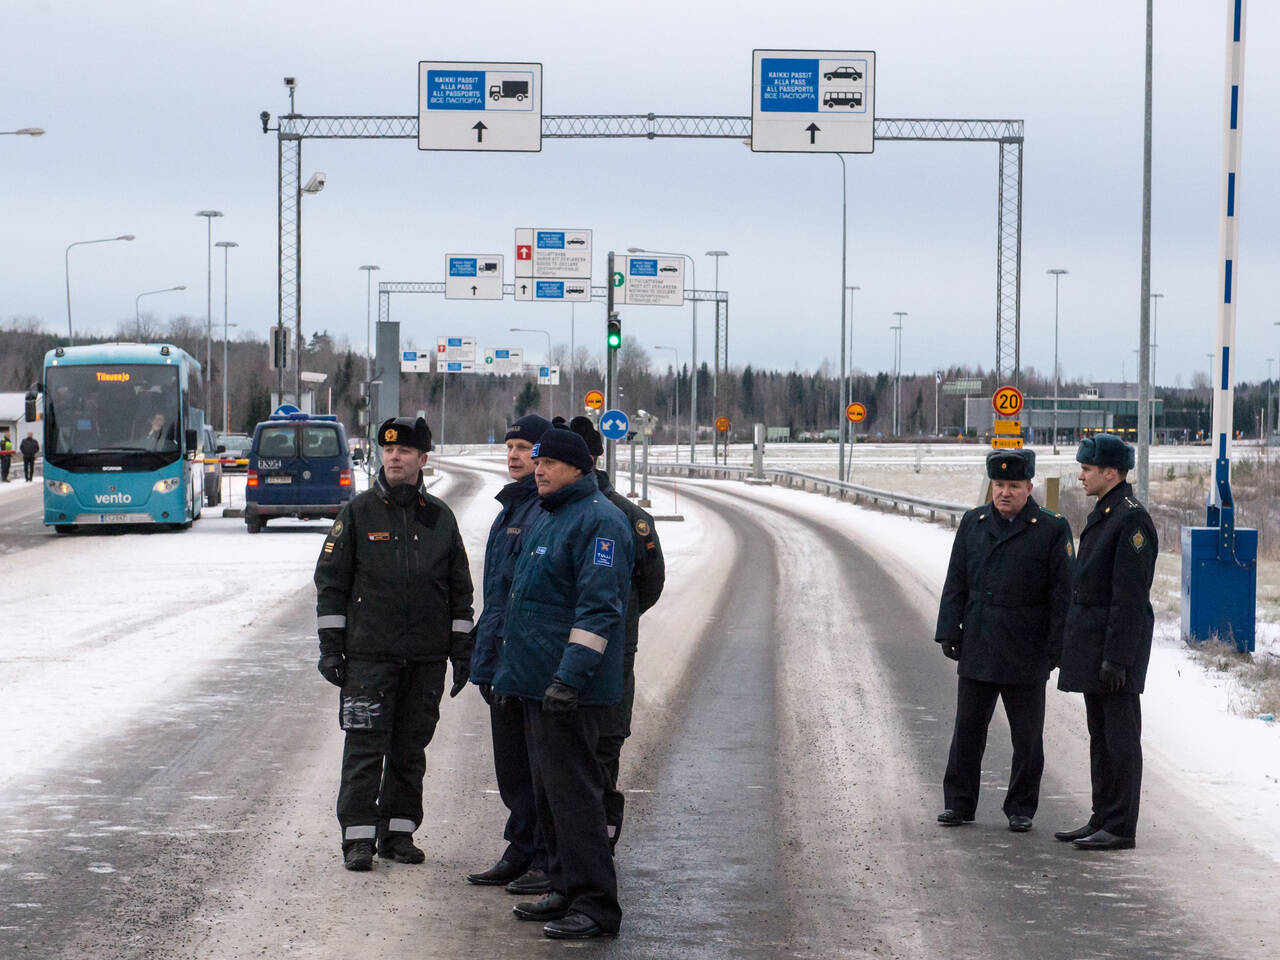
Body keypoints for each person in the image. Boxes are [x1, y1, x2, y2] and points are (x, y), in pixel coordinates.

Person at [313, 416, 475, 871]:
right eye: (388, 451)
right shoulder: (359, 513)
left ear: (423, 459)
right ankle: (358, 839)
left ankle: (399, 834)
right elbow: (330, 582)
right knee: (364, 748)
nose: (395, 457)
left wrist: (461, 650)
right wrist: (332, 647)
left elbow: (460, 590)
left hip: (425, 659)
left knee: (410, 749)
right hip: (369, 657)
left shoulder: (440, 518)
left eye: (404, 451)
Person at [492, 427, 632, 940]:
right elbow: (523, 607)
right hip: (536, 687)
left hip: (572, 693)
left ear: (578, 468)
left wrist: (569, 678)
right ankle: (564, 887)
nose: (538, 468)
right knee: (550, 798)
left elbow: (599, 611)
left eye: (548, 462)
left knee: (576, 802)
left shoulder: (599, 523)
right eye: (537, 461)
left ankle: (596, 906)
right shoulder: (549, 518)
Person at [933, 449, 1073, 831]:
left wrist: (1056, 648)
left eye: (1014, 485)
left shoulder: (1051, 528)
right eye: (999, 485)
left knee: (1027, 739)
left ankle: (1021, 808)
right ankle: (959, 804)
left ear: (1030, 487)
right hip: (979, 640)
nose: (1005, 493)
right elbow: (956, 581)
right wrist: (949, 629)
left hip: (1026, 648)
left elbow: (1064, 594)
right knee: (967, 732)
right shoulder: (973, 524)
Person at [561, 415, 665, 850]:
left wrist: (621, 618)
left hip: (612, 658)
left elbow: (650, 584)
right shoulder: (551, 512)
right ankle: (571, 848)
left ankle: (599, 847)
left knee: (602, 750)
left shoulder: (626, 518)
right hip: (564, 654)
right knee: (571, 755)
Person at [466, 413, 555, 895]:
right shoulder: (509, 511)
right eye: (511, 448)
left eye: (527, 448)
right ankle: (521, 848)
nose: (517, 457)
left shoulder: (546, 510)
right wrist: (484, 658)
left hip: (531, 665)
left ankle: (544, 855)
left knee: (540, 768)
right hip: (503, 660)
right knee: (513, 767)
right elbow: (498, 597)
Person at [1055, 433, 1157, 851]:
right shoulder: (1107, 511)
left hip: (1114, 652)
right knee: (1100, 737)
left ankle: (1120, 825)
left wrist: (1117, 658)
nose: (1081, 476)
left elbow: (1130, 597)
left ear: (1110, 473)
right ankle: (1103, 816)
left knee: (1119, 739)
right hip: (1095, 648)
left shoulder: (1130, 519)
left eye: (1087, 469)